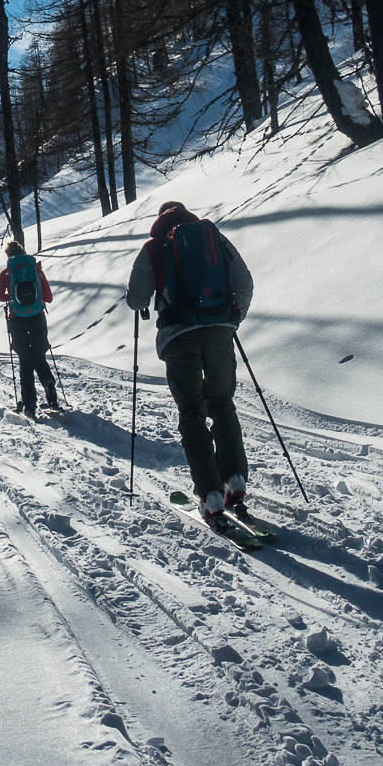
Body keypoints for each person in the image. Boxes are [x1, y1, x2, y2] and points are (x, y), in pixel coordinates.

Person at [124, 201, 256, 530]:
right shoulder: (212, 237)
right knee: (222, 402)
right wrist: (233, 315)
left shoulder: (154, 248)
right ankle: (235, 481)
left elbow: (136, 297)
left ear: (159, 220)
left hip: (178, 339)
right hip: (219, 332)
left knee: (192, 413)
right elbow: (244, 281)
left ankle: (211, 496)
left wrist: (146, 300)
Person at [0, 238, 57, 417]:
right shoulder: (37, 271)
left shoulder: (6, 273)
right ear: (23, 252)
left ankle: (29, 402)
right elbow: (49, 297)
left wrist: (12, 296)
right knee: (38, 355)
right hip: (38, 317)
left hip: (17, 319)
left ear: (8, 255)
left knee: (25, 360)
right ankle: (49, 385)